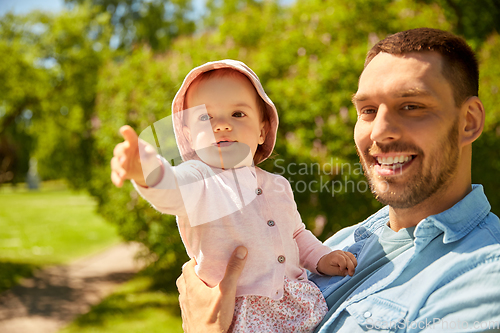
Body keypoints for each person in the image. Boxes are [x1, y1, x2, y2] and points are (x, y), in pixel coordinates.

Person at [176, 28, 500, 332]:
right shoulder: (345, 241)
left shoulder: (483, 279)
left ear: (468, 122)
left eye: (411, 106)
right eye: (368, 110)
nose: (379, 131)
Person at [110, 60, 358, 333]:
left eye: (237, 114)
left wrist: (322, 257)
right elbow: (171, 189)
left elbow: (296, 234)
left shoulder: (278, 184)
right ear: (190, 137)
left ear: (263, 130)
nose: (222, 125)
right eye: (206, 117)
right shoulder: (199, 178)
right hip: (238, 315)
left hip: (296, 304)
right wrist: (146, 170)